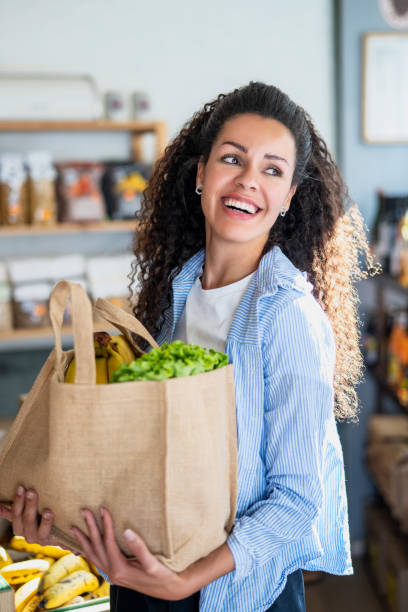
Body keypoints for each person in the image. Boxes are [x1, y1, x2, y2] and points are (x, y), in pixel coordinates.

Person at [0, 82, 376, 611]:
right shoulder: (169, 297)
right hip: (140, 580)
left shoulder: (286, 316)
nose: (248, 181)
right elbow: (140, 465)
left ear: (289, 196)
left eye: (272, 169)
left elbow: (296, 502)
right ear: (201, 174)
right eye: (232, 159)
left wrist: (186, 582)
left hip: (232, 593)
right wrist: (66, 526)